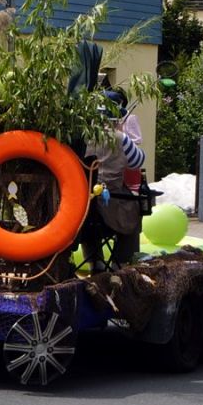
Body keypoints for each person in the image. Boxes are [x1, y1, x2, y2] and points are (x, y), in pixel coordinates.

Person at [78, 93, 148, 273]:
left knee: (91, 221)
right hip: (111, 204)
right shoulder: (120, 138)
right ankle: (121, 261)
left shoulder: (80, 137)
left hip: (81, 207)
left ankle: (95, 261)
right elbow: (138, 161)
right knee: (135, 211)